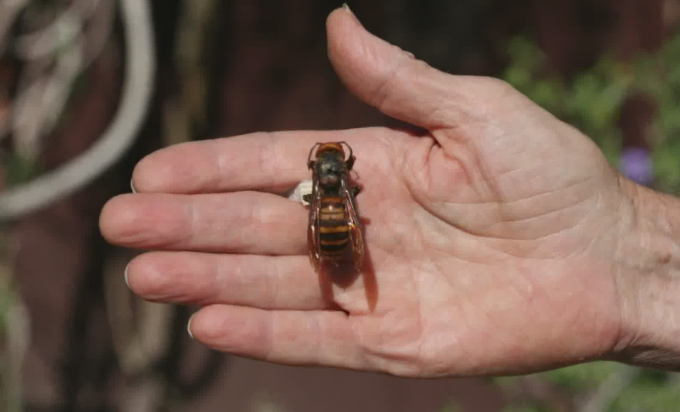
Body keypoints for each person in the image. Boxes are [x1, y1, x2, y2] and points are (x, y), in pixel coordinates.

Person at [99, 6, 680, 376]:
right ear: (340, 181)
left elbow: (323, 212)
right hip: (337, 231)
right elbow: (342, 209)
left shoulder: (323, 194)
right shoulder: (345, 193)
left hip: (330, 233)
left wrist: (631, 254)